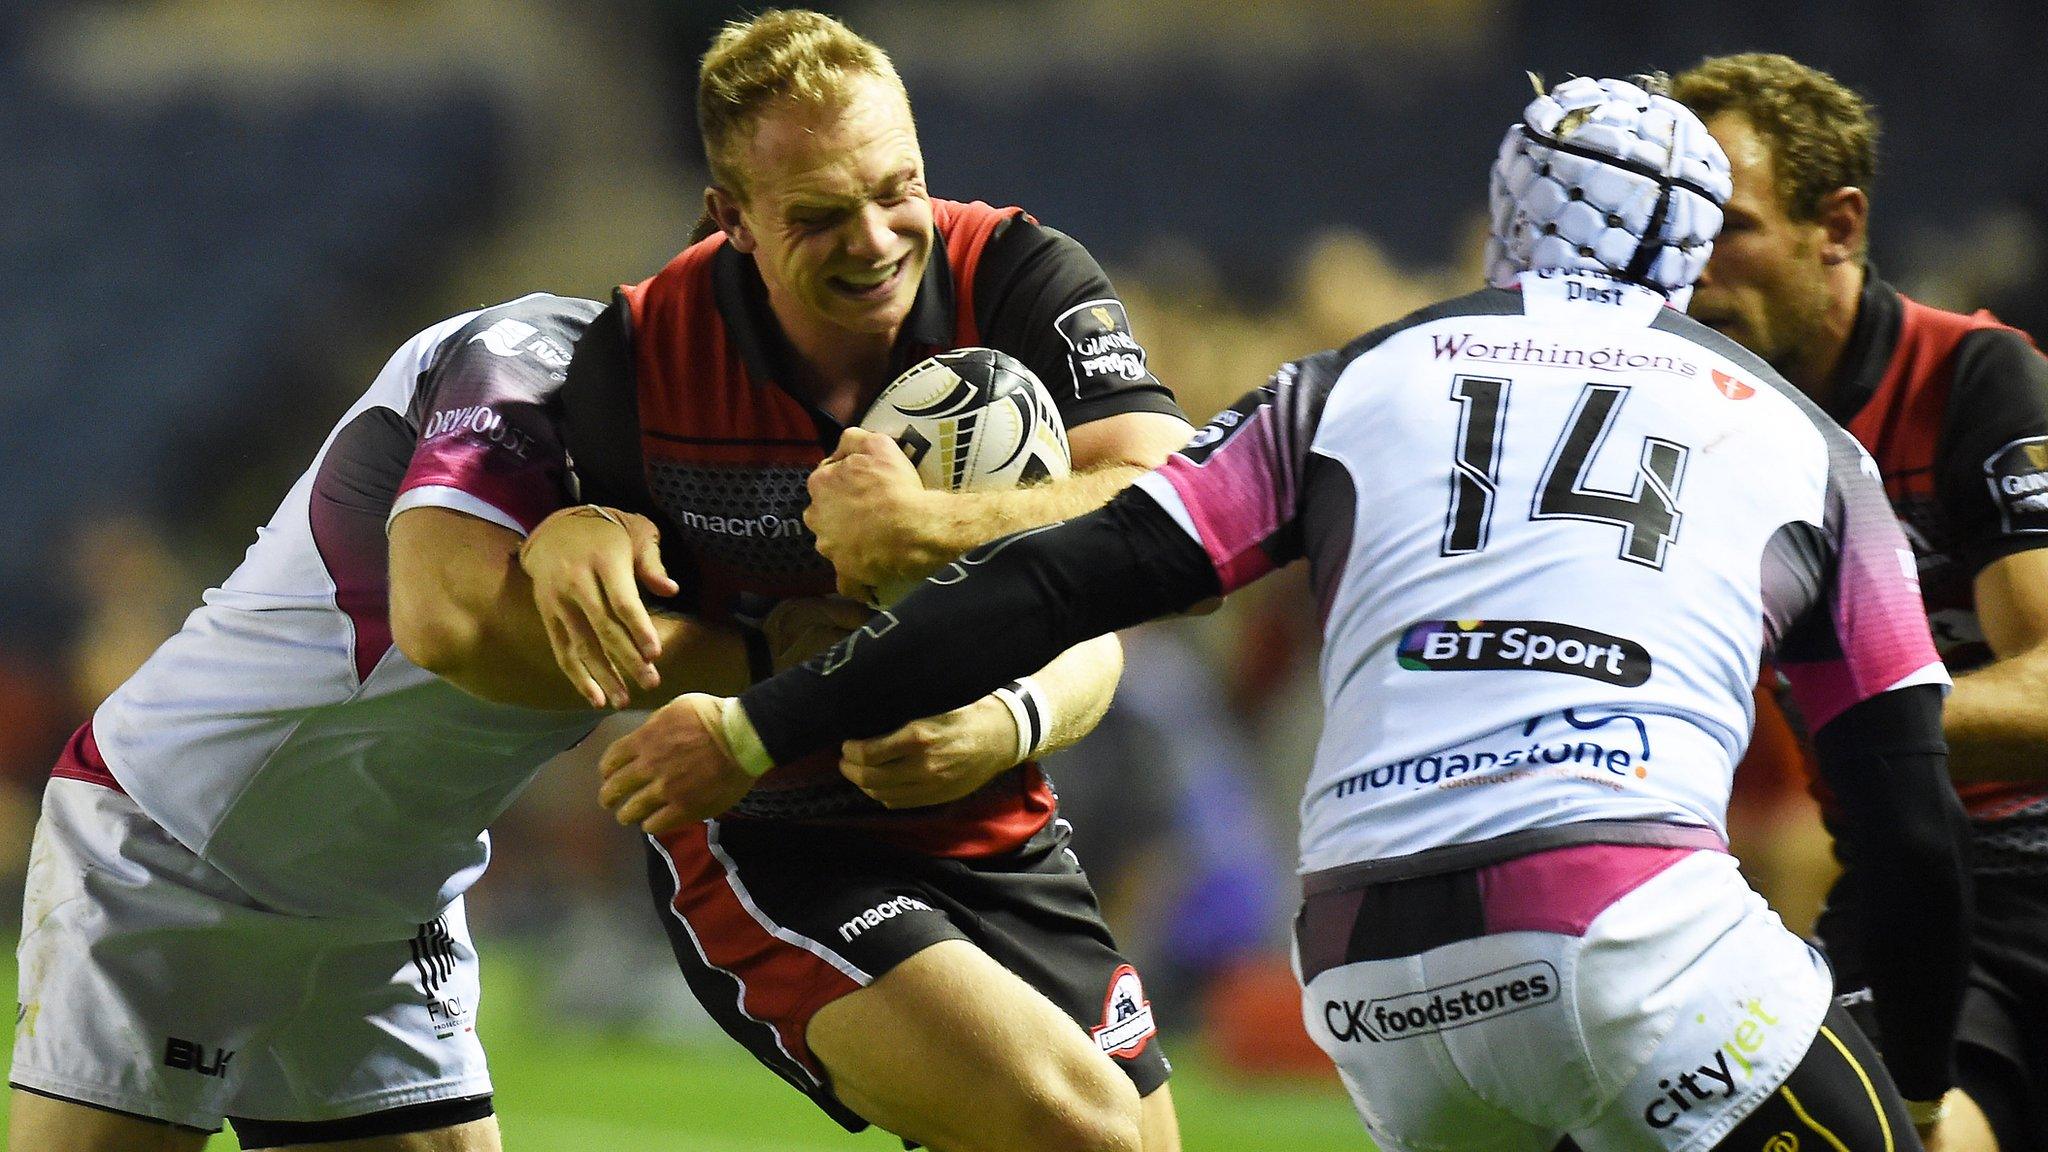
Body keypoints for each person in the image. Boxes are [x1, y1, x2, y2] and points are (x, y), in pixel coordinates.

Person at [598, 75, 1976, 1152]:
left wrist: (763, 723)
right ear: (1693, 251)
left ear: (1504, 216)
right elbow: (1906, 828)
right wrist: (1912, 1089)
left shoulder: (1348, 383)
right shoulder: (1807, 447)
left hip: (1375, 987)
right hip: (1633, 938)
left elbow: (1062, 580)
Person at [412, 12, 1193, 1152]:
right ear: (731, 217)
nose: (876, 239)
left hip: (997, 820)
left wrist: (936, 541)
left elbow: (1169, 517)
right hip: (768, 832)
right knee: (1079, 1136)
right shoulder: (642, 354)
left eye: (898, 189)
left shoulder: (1020, 276)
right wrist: (567, 528)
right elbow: (592, 616)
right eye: (820, 215)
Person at [1674, 52, 2048, 1152]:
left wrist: (1873, 726)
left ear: (1834, 226)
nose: (1691, 273)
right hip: (1904, 885)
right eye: (1674, 235)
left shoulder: (1973, 380)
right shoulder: (1693, 426)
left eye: (1729, 229)